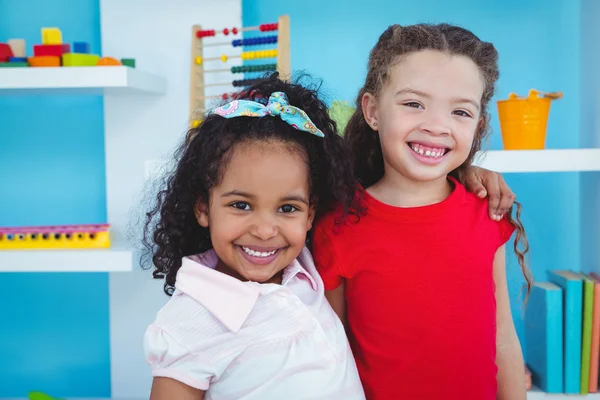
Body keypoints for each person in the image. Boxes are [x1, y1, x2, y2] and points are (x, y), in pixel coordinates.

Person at [312, 24, 532, 400]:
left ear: (477, 125)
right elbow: (333, 355)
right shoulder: (337, 227)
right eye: (414, 103)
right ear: (372, 110)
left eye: (460, 111)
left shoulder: (486, 213)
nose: (436, 126)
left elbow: (503, 340)